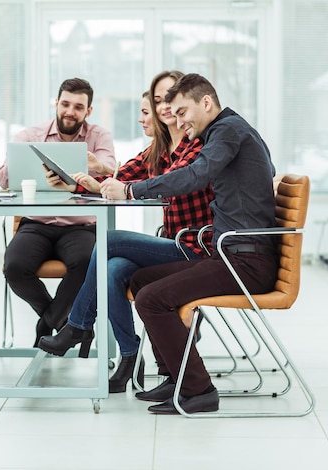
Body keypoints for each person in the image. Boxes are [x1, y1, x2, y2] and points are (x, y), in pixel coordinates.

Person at [37, 71, 215, 394]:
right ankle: (130, 356)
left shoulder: (195, 143)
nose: (163, 107)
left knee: (108, 241)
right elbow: (122, 175)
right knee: (112, 269)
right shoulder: (159, 148)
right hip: (172, 243)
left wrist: (122, 186)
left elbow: (158, 183)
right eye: (158, 101)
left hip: (193, 248)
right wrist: (83, 183)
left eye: (166, 101)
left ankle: (77, 326)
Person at [124, 73, 278, 414]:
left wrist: (133, 189)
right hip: (232, 255)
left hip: (245, 263)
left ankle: (198, 390)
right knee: (140, 280)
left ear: (206, 103)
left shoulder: (228, 131)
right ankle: (175, 377)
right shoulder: (230, 132)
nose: (177, 121)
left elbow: (196, 175)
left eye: (182, 112)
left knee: (150, 299)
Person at [0, 77, 116, 346]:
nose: (70, 111)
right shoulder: (31, 136)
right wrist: (17, 163)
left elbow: (111, 171)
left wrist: (95, 166)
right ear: (56, 103)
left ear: (88, 111)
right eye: (65, 104)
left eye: (78, 106)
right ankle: (63, 323)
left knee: (87, 263)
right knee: (14, 267)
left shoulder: (99, 136)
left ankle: (46, 323)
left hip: (80, 226)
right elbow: (3, 180)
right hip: (36, 223)